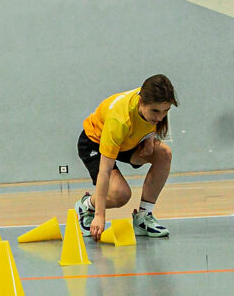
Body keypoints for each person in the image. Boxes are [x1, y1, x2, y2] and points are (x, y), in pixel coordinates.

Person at [75, 74, 178, 242]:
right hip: (95, 142)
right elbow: (104, 172)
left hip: (128, 141)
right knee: (120, 194)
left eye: (165, 111)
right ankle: (86, 206)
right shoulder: (119, 119)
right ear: (141, 102)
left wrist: (150, 138)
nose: (160, 117)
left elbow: (153, 122)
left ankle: (144, 217)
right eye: (156, 111)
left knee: (164, 154)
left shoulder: (153, 101)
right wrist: (100, 215)